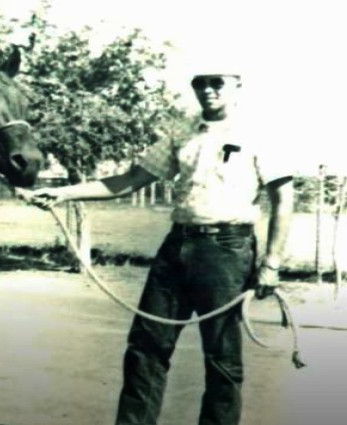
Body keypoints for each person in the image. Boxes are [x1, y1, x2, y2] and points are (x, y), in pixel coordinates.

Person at [28, 67, 294, 425]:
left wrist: (272, 263)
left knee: (222, 356)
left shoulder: (259, 133)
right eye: (200, 82)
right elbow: (130, 180)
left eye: (217, 82)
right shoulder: (181, 131)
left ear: (237, 86)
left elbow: (283, 199)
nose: (207, 90)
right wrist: (62, 193)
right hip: (177, 246)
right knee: (146, 346)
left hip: (227, 250)